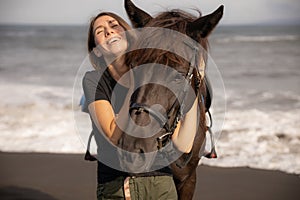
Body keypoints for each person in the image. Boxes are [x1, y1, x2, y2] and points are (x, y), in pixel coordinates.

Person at [82, 11, 199, 200]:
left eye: (114, 25)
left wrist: (193, 86)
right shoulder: (94, 80)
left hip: (161, 182)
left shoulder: (154, 75)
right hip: (117, 184)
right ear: (96, 49)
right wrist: (137, 81)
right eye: (100, 31)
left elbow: (183, 144)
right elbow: (113, 133)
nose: (109, 32)